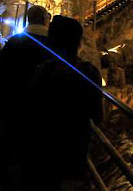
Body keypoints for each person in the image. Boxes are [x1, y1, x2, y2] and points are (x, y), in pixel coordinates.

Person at [27, 16, 103, 190]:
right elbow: (97, 116)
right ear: (78, 42)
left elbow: (30, 108)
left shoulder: (42, 71)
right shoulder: (89, 72)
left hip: (41, 150)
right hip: (73, 151)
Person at [0, 5, 51, 190]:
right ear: (45, 20)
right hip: (40, 110)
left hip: (11, 105)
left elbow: (0, 68)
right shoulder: (53, 45)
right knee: (34, 154)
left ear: (28, 20)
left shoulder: (15, 42)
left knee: (8, 146)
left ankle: (3, 179)